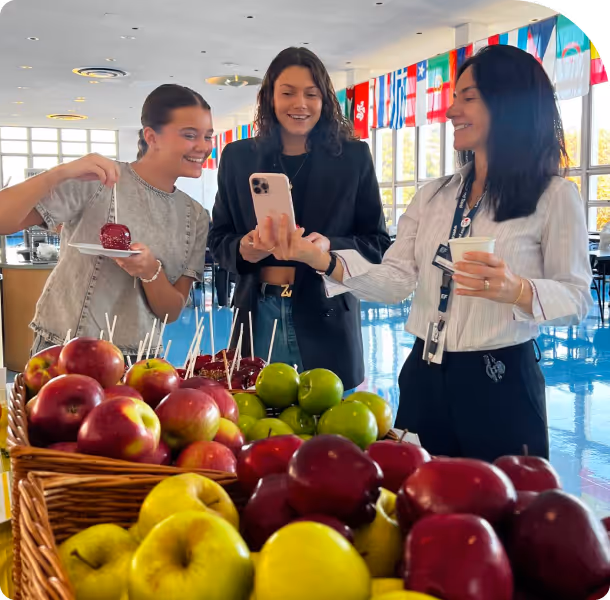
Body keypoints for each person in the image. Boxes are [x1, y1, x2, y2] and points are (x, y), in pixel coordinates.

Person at [270, 45, 593, 462]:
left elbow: (577, 298)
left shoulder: (554, 196)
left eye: (468, 98)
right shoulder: (434, 197)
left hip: (500, 379)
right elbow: (396, 281)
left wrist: (518, 290)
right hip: (423, 374)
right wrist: (324, 261)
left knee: (500, 512)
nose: (451, 111)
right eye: (455, 97)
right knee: (422, 506)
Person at [208, 47, 390, 390]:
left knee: (330, 429)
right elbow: (218, 238)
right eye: (287, 93)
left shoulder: (353, 157)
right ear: (269, 99)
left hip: (328, 314)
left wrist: (326, 249)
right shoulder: (238, 158)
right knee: (258, 423)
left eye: (311, 94)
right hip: (257, 312)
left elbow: (377, 243)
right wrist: (246, 247)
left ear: (325, 99)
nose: (300, 104)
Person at [0, 84, 212, 358]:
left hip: (140, 361)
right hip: (67, 350)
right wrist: (60, 173)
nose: (203, 147)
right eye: (189, 135)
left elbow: (170, 312)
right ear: (152, 137)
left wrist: (150, 271)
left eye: (208, 136)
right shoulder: (100, 178)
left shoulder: (195, 215)